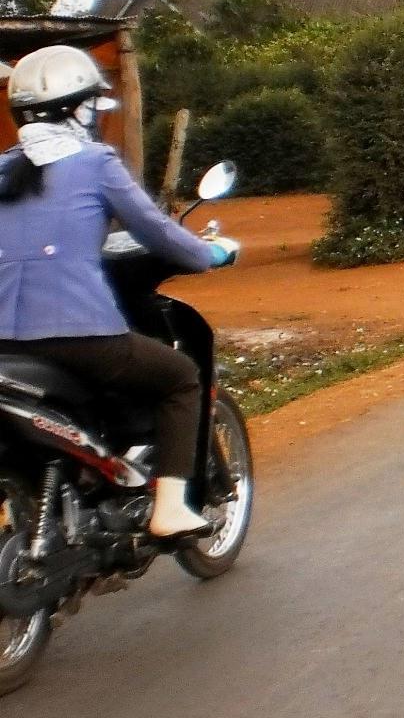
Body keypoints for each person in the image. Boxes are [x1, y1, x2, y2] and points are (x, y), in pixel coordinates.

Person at [0, 45, 233, 538]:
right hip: (77, 335)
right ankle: (169, 510)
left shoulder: (4, 169)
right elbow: (157, 232)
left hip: (4, 341)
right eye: (93, 105)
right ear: (77, 109)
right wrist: (209, 253)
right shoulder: (94, 163)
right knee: (180, 377)